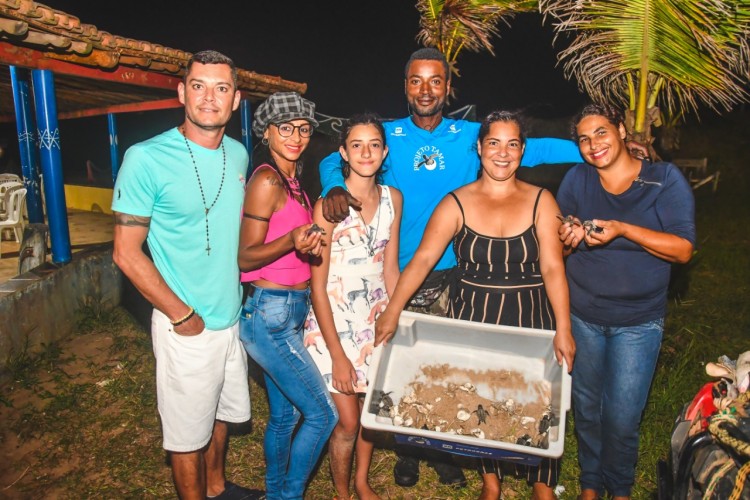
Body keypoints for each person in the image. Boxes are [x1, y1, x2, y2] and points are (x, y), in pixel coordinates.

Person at [319, 47, 583, 489]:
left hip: (455, 272)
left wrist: (595, 148)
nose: (426, 90)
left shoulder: (470, 134)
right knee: (402, 368)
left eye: (435, 80)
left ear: (447, 87)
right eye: (416, 81)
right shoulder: (384, 135)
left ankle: (442, 450)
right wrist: (331, 184)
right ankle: (407, 452)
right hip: (397, 271)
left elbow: (534, 148)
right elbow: (335, 157)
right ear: (405, 87)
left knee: (443, 369)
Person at [374, 110, 575, 500]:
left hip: (530, 313)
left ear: (522, 151)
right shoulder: (455, 203)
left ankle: (541, 483)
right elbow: (422, 260)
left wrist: (563, 327)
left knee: (537, 396)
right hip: (475, 315)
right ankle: (491, 482)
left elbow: (552, 266)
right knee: (481, 396)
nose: (503, 153)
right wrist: (393, 310)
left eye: (512, 144)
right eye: (494, 143)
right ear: (479, 148)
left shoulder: (541, 200)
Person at [112, 50, 262, 499]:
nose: (209, 98)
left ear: (236, 100)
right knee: (186, 434)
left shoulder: (238, 155)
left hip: (230, 317)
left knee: (221, 414)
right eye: (199, 86)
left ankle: (217, 488)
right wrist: (181, 315)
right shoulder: (145, 158)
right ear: (182, 92)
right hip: (186, 326)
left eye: (221, 88)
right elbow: (125, 253)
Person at [557, 103, 695, 500]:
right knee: (586, 410)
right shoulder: (576, 180)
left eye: (601, 132)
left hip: (638, 322)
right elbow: (558, 249)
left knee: (621, 417)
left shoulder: (662, 180)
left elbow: (683, 249)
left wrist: (622, 229)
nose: (593, 144)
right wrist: (568, 240)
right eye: (584, 138)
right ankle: (589, 484)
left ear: (620, 129)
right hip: (583, 315)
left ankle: (619, 489)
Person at [238, 91, 338, 500]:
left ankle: (275, 492)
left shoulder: (293, 182)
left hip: (289, 310)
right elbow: (245, 257)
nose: (296, 136)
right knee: (322, 414)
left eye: (302, 129)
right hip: (269, 314)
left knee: (285, 417)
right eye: (285, 128)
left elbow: (291, 244)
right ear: (267, 131)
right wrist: (291, 240)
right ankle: (289, 496)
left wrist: (305, 245)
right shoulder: (266, 180)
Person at [304, 112, 402, 499]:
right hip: (333, 322)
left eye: (373, 145)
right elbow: (317, 285)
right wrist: (338, 354)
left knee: (371, 416)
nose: (366, 152)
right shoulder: (327, 208)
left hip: (375, 318)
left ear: (384, 151)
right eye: (356, 145)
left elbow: (390, 267)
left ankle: (362, 482)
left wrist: (396, 318)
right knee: (346, 421)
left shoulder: (394, 199)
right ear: (343, 152)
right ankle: (342, 493)